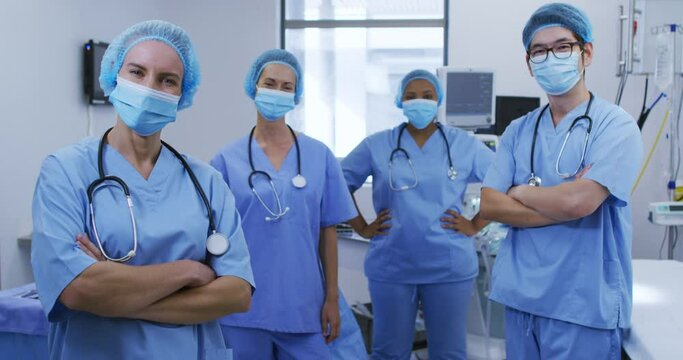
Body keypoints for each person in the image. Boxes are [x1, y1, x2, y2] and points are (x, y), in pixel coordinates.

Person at [31, 20, 254, 360]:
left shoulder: (206, 181)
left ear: (182, 95)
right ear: (114, 78)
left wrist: (117, 294)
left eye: (168, 80)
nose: (150, 88)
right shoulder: (65, 171)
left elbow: (236, 293)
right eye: (137, 72)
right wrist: (188, 271)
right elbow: (78, 289)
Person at [479, 3, 644, 359]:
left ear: (586, 52)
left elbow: (579, 203)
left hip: (582, 306)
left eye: (562, 46)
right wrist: (565, 202)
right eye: (539, 50)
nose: (550, 57)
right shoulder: (518, 130)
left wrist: (521, 192)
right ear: (529, 63)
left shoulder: (615, 126)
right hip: (522, 300)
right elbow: (491, 204)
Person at [210, 49, 358, 359]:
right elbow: (213, 237)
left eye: (286, 87)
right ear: (254, 87)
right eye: (270, 83)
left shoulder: (319, 155)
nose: (277, 92)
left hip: (304, 304)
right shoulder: (226, 160)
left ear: (296, 94)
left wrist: (331, 297)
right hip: (243, 306)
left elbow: (327, 231)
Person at [341, 69, 495, 359]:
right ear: (400, 101)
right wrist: (361, 226)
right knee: (389, 352)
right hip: (392, 265)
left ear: (438, 100)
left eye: (427, 95)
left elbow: (502, 180)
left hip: (448, 266)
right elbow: (338, 184)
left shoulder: (463, 144)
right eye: (411, 96)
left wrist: (476, 224)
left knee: (449, 353)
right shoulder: (378, 145)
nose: (419, 101)